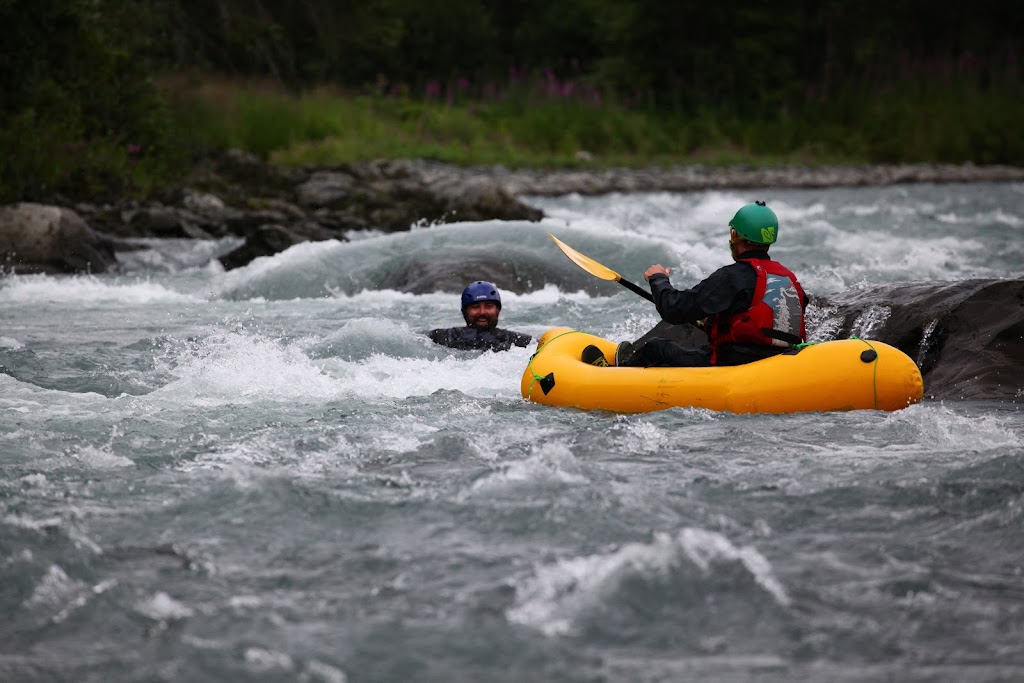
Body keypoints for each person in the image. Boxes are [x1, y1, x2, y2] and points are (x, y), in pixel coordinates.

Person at [582, 201, 807, 368]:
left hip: (733, 364)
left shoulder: (732, 277)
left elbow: (673, 309)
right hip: (776, 363)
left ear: (737, 236)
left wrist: (658, 280)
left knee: (656, 347)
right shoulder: (788, 278)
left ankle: (613, 372)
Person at [428, 280, 532, 352]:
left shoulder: (516, 340)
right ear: (464, 311)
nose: (482, 312)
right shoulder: (441, 337)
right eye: (475, 306)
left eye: (488, 306)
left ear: (498, 310)